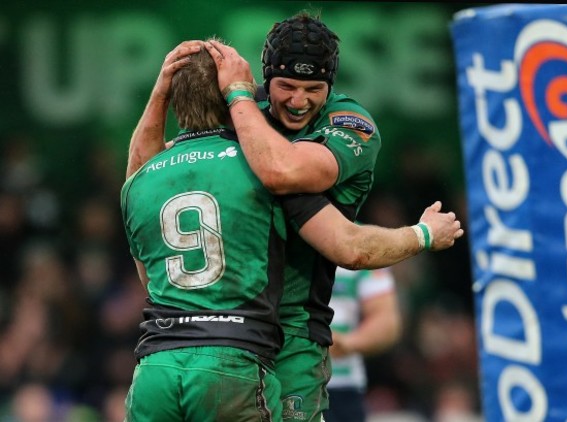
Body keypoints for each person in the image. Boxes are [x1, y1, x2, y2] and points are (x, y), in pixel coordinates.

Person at [122, 39, 463, 421]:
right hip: (237, 359)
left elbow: (149, 280)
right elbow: (350, 247)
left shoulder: (141, 183)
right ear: (252, 91)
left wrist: (160, 93)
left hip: (155, 368)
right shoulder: (264, 170)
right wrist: (425, 233)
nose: (297, 101)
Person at [325, 267, 402, 422]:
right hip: (279, 381)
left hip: (341, 387)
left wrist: (347, 343)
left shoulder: (364, 247)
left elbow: (387, 322)